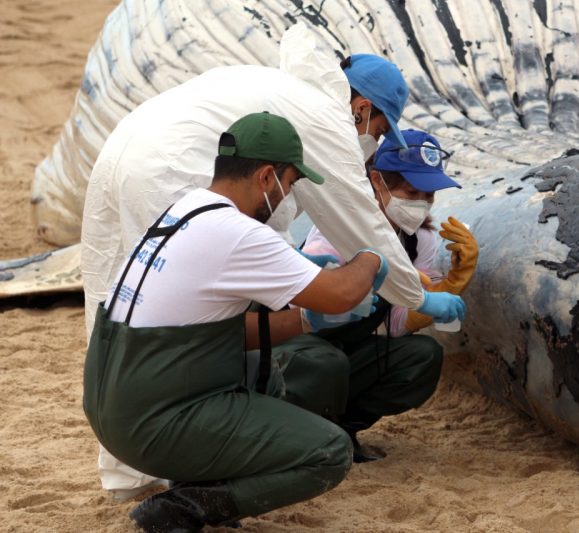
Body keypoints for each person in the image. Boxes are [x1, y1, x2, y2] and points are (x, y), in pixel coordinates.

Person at [81, 22, 466, 498]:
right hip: (170, 164)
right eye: (378, 130)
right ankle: (205, 448)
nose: (371, 141)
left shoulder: (281, 92)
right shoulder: (324, 118)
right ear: (362, 109)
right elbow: (359, 225)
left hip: (123, 146)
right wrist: (407, 289)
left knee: (126, 293)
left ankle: (131, 468)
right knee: (193, 315)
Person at [83, 111, 391, 532]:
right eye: (289, 183)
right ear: (267, 177)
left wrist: (304, 320)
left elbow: (216, 336)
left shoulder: (184, 210)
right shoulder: (239, 232)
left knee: (254, 358)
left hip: (114, 406)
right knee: (327, 450)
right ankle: (185, 507)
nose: (287, 196)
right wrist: (370, 257)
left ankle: (199, 477)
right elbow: (342, 292)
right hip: (153, 422)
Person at [274, 129, 477, 462]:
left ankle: (342, 429)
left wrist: (450, 283)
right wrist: (386, 279)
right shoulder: (339, 227)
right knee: (326, 364)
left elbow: (396, 323)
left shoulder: (418, 240)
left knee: (422, 355)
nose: (421, 204)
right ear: (378, 183)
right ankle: (299, 432)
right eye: (411, 191)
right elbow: (300, 301)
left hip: (346, 351)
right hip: (299, 343)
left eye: (429, 196)